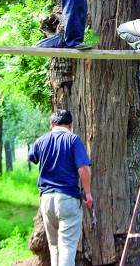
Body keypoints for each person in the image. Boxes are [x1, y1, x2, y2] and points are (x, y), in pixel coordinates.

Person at [28, 110, 92, 266]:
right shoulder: (73, 140)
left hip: (46, 200)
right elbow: (83, 168)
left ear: (51, 125)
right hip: (67, 199)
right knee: (67, 247)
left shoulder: (42, 140)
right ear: (70, 125)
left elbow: (29, 158)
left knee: (54, 246)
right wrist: (88, 193)